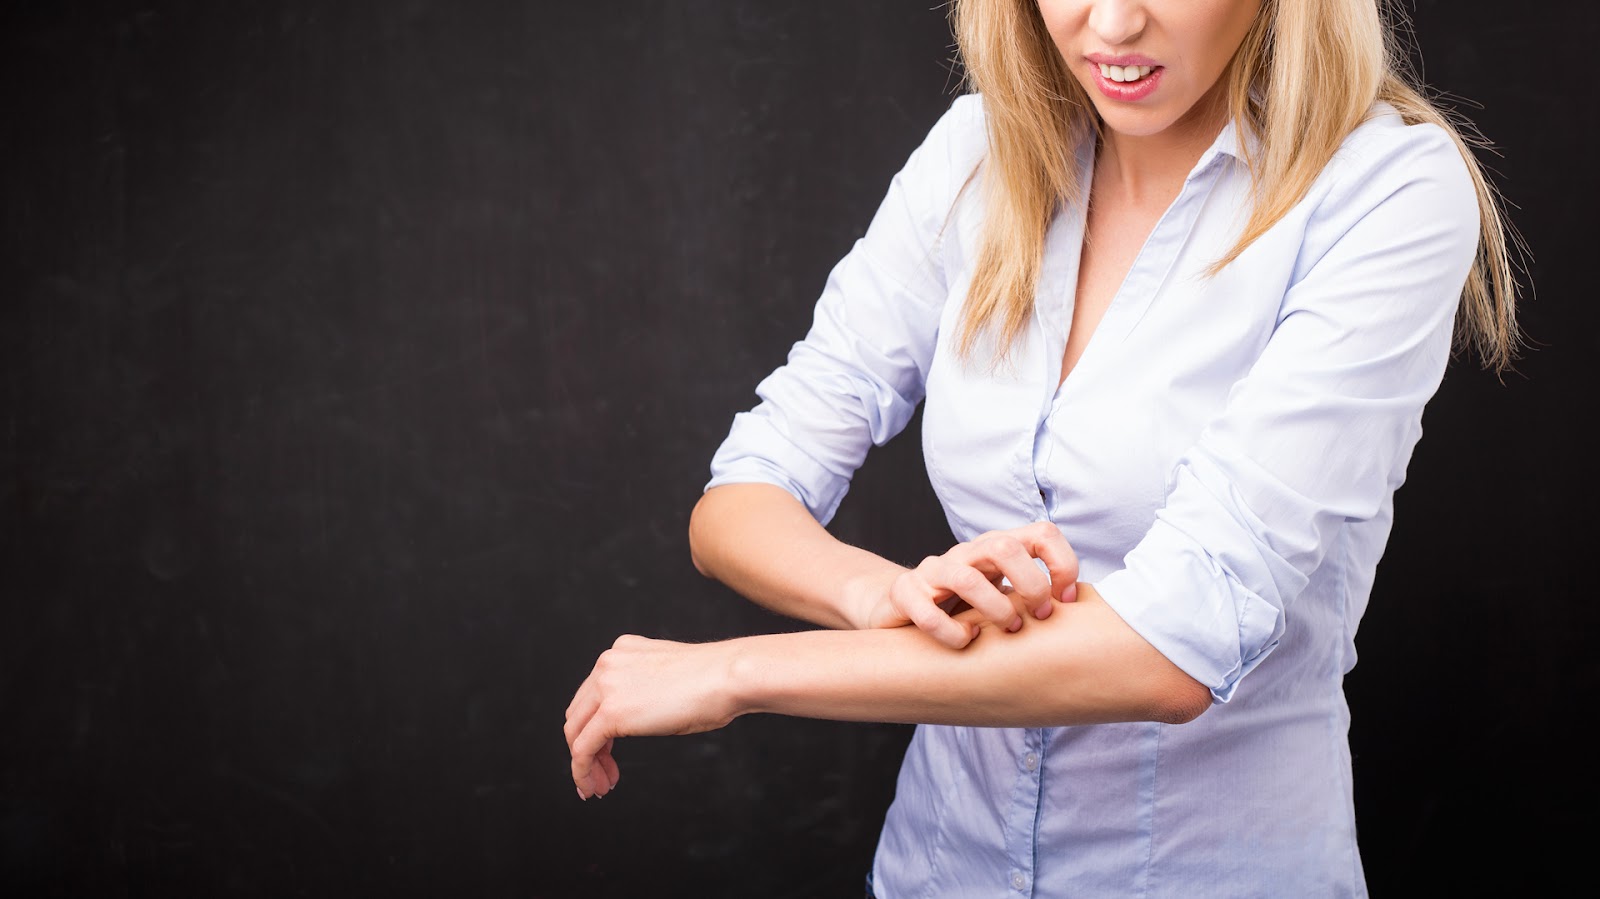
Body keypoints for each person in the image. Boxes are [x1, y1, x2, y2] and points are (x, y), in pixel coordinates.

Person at [564, 0, 1522, 895]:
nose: (1110, 24)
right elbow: (743, 493)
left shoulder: (1385, 191)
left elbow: (1169, 650)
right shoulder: (975, 155)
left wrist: (739, 673)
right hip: (938, 867)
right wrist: (882, 596)